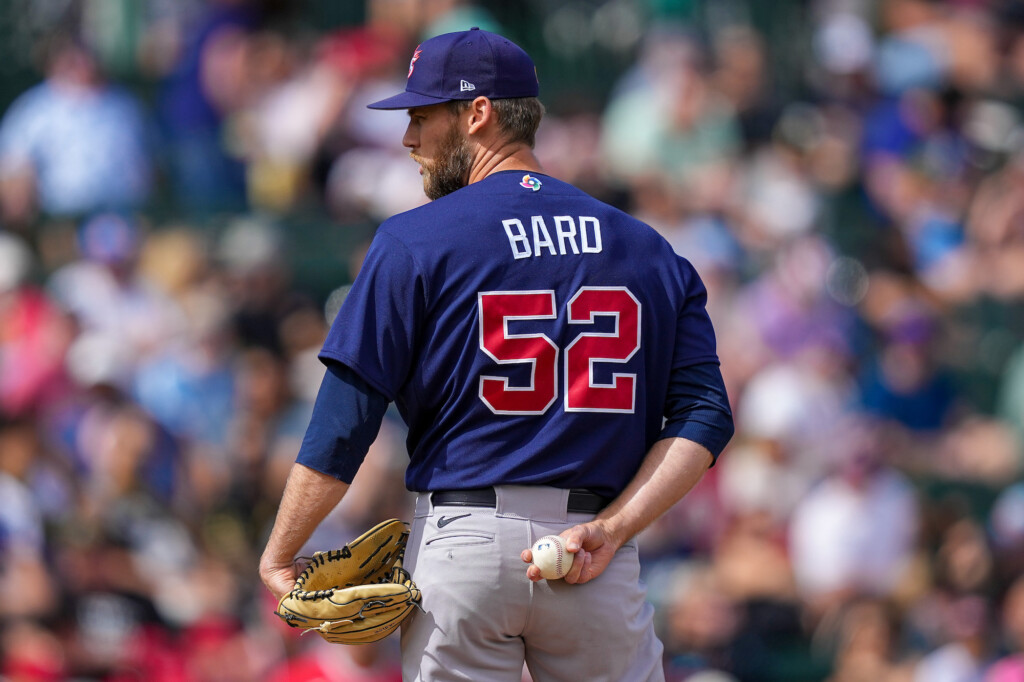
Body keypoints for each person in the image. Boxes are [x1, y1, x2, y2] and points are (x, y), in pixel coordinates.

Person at [260, 28, 734, 682]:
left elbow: (345, 423)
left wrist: (283, 552)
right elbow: (705, 417)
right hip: (590, 552)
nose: (408, 139)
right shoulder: (647, 248)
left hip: (464, 546)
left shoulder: (412, 240)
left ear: (477, 112)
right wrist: (619, 527)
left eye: (422, 116)